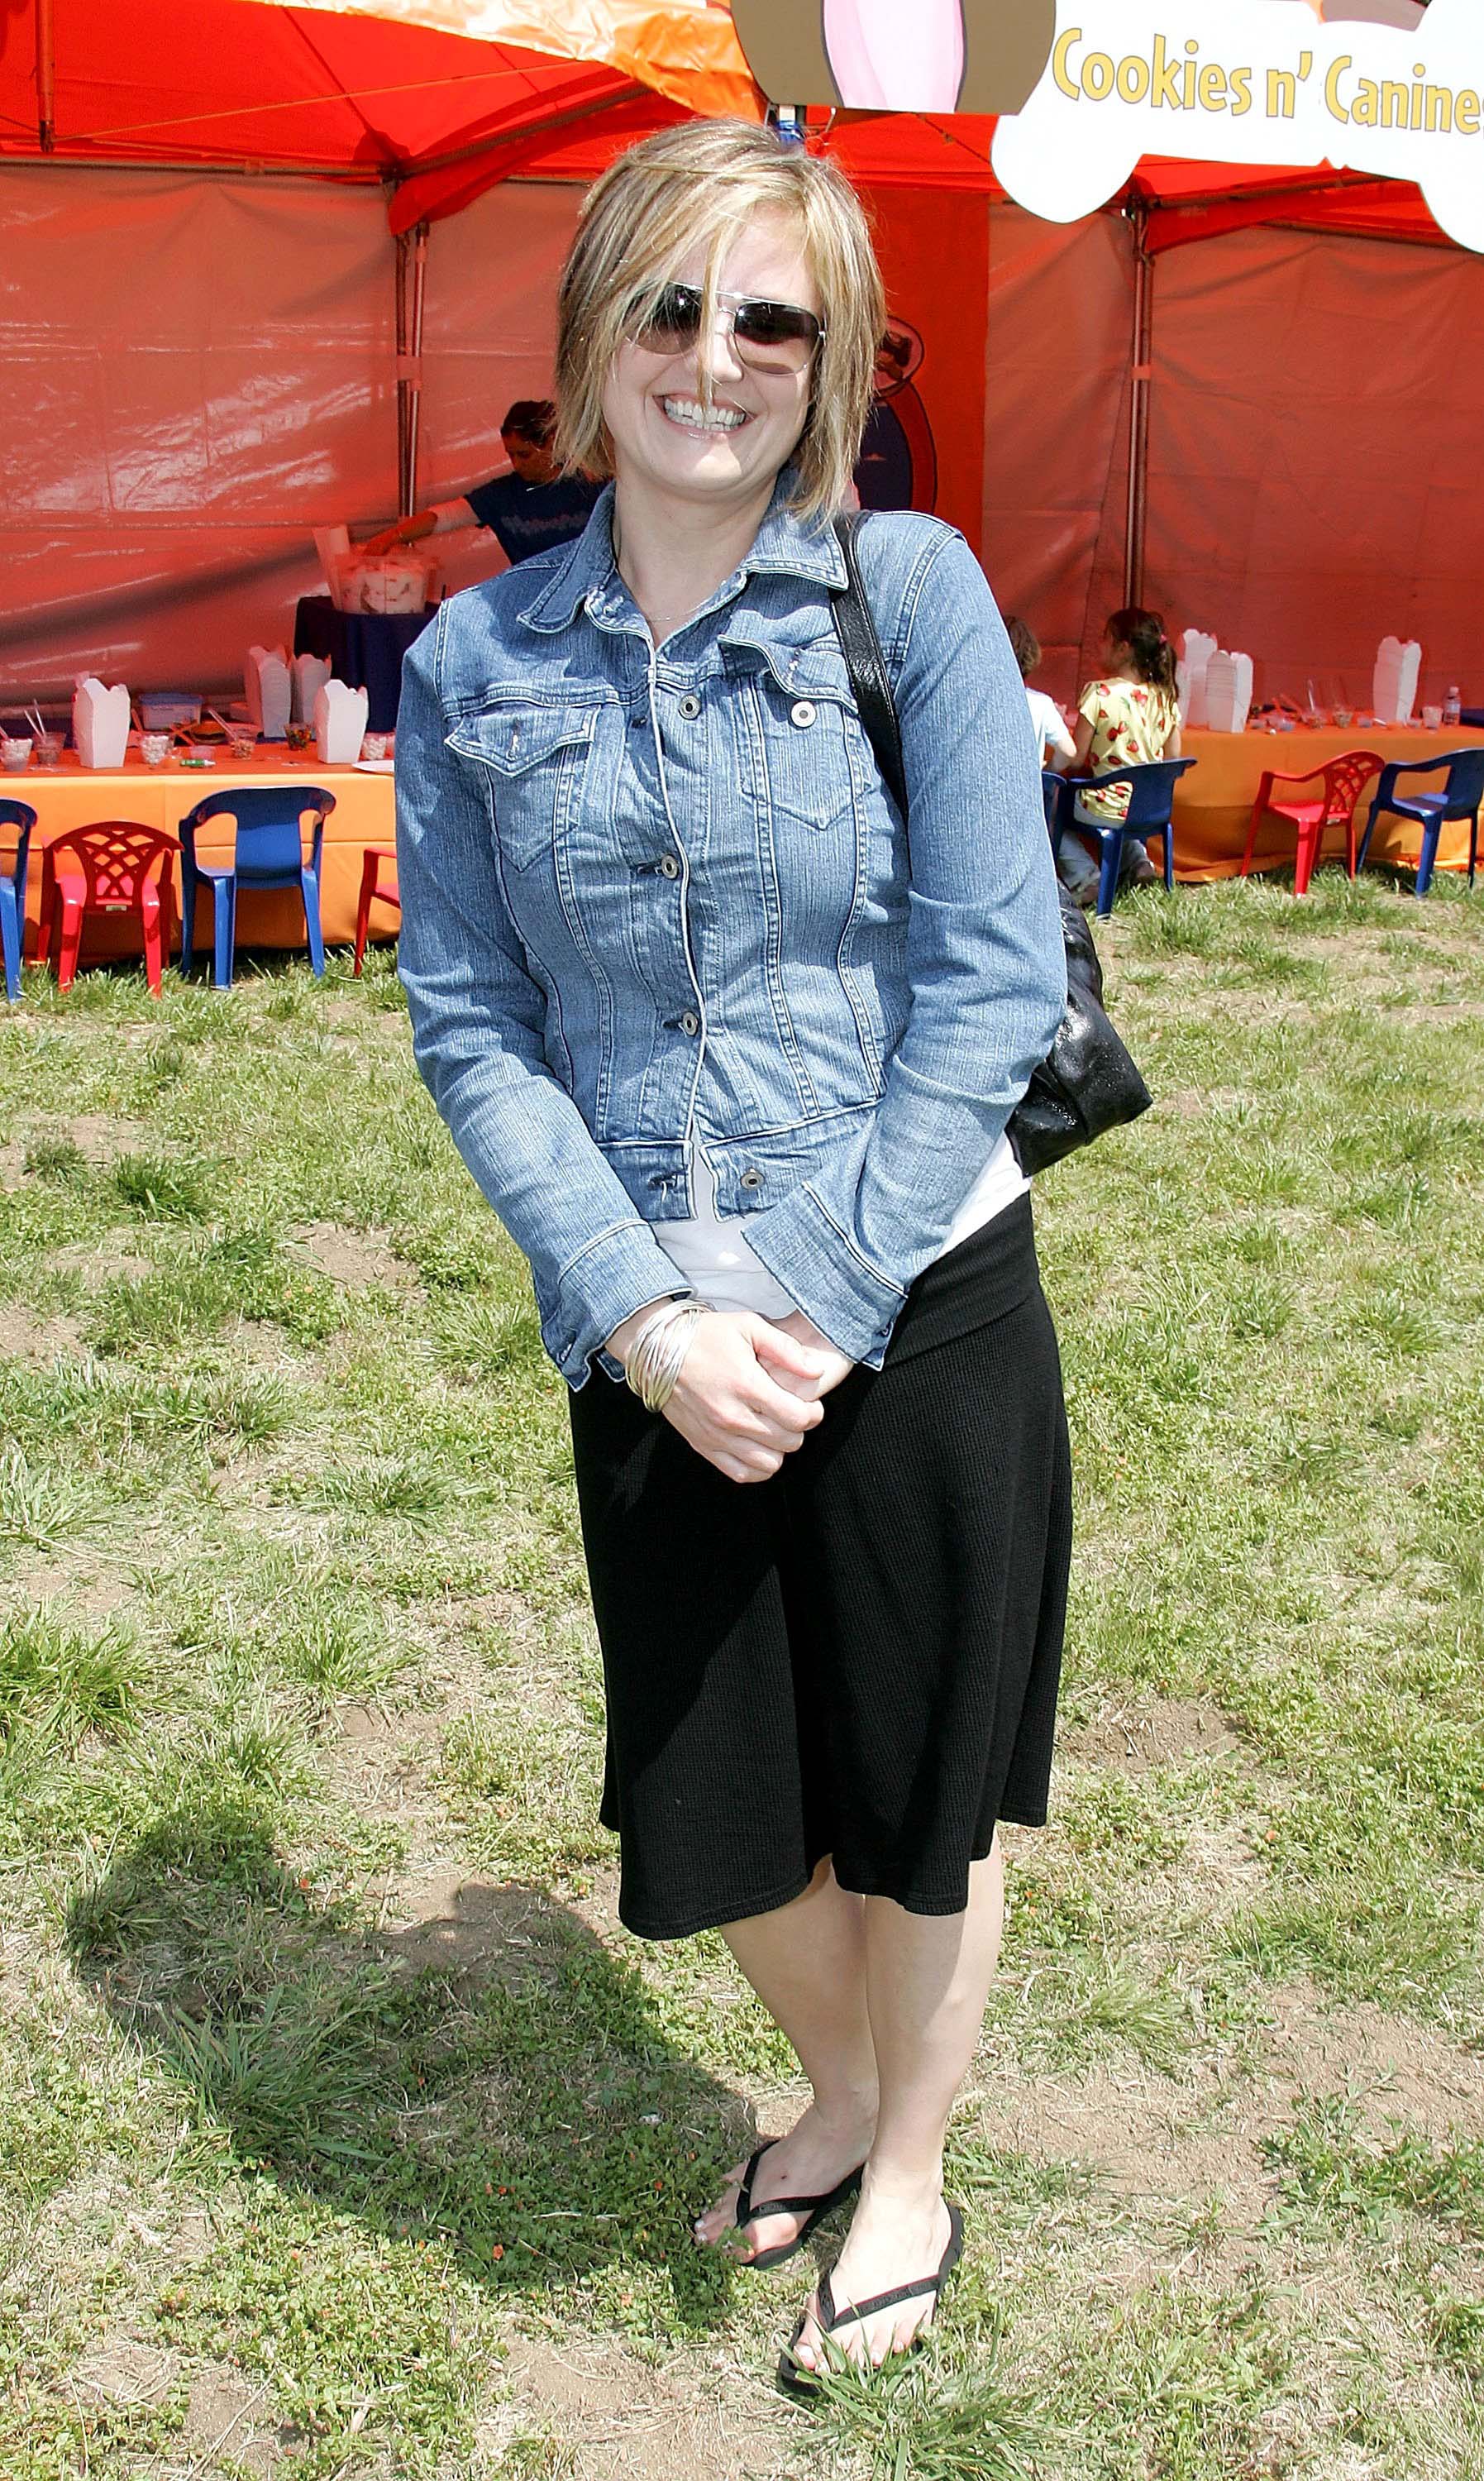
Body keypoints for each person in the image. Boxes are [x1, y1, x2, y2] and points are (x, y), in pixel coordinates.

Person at [395, 118, 1071, 2388]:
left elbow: (989, 976)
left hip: (918, 1296)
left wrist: (807, 1290)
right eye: (672, 306)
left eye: (771, 318)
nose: (716, 357)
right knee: (716, 1804)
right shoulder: (472, 664)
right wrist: (646, 1313)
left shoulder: (915, 593)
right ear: (597, 330)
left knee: (917, 1795)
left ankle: (906, 2169)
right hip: (653, 1331)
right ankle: (847, 2084)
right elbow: (470, 1019)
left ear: (831, 356)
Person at [363, 399, 602, 568]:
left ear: (551, 442)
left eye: (524, 454)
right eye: (510, 455)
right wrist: (392, 536)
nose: (517, 464)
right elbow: (444, 517)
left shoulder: (592, 486)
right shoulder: (502, 495)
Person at [1054, 607, 1183, 904]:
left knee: (1052, 806)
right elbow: (1173, 758)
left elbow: (1076, 758)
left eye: (1105, 638)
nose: (1099, 644)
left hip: (1107, 806)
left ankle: (1085, 876)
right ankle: (1139, 862)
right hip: (1151, 807)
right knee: (1120, 810)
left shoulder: (1099, 694)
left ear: (1123, 648)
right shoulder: (1165, 697)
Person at [1006, 614, 1076, 768]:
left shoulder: (976, 701)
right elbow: (1068, 752)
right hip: (1026, 782)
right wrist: (1045, 773)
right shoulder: (1041, 704)